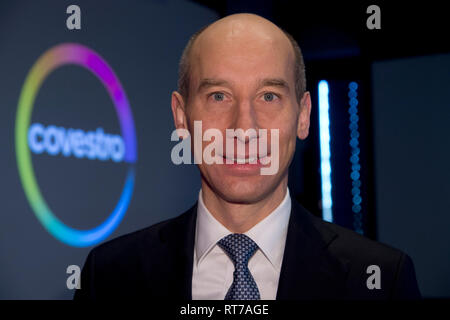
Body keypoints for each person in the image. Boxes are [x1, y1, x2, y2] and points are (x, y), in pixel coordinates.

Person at [74, 13, 420, 300]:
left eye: (268, 96)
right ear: (181, 118)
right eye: (219, 96)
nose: (244, 127)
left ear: (303, 116)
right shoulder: (108, 277)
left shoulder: (381, 281)